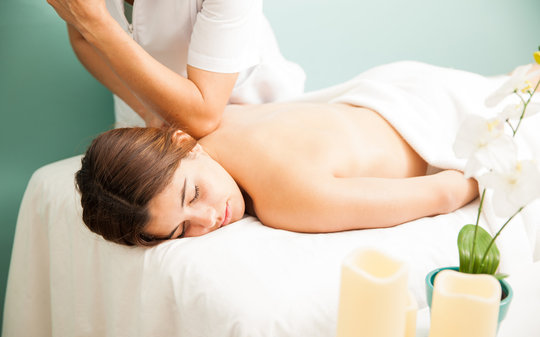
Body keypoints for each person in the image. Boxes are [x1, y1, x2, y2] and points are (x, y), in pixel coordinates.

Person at [76, 61, 509, 246]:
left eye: (192, 196)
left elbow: (448, 192)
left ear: (182, 143)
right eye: (181, 231)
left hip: (435, 114)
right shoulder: (210, 121)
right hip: (406, 83)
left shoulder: (289, 200)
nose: (208, 219)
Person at [46, 0, 305, 137]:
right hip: (146, 126)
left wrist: (98, 23)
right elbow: (83, 38)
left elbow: (203, 117)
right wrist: (147, 111)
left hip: (250, 112)